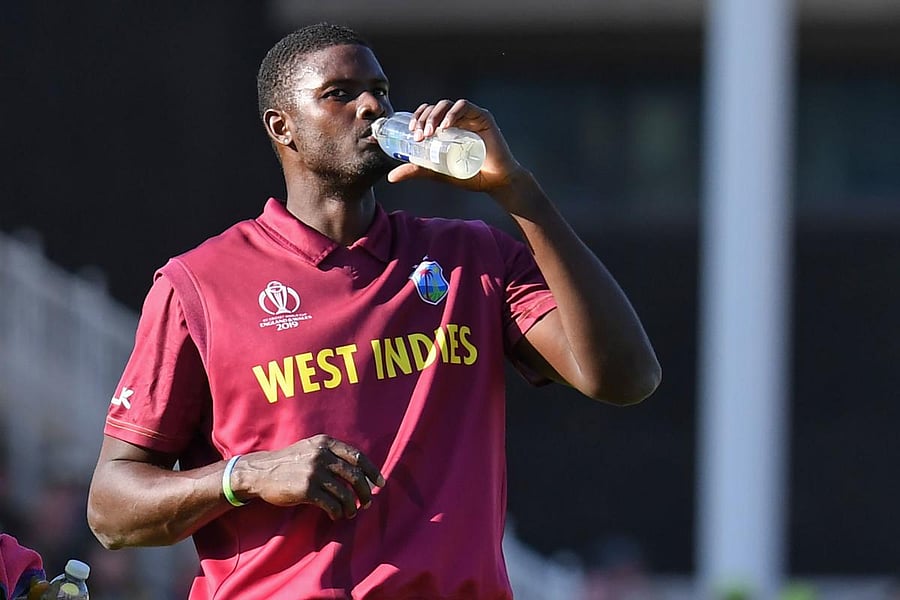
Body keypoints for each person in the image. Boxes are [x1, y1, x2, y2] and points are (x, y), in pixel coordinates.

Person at [86, 22, 661, 600]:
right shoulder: (202, 284)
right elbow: (111, 510)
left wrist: (518, 193)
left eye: (380, 90)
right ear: (280, 125)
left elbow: (627, 378)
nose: (371, 106)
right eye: (339, 93)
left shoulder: (471, 257)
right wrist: (249, 475)